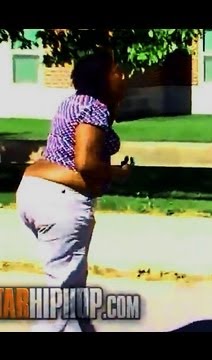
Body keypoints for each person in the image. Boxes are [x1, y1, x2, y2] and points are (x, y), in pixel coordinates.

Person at [15, 48, 133, 332]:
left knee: (70, 289)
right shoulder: (93, 107)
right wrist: (117, 173)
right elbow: (86, 162)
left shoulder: (73, 103)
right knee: (63, 296)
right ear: (101, 78)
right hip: (61, 201)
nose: (123, 76)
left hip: (35, 193)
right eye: (116, 71)